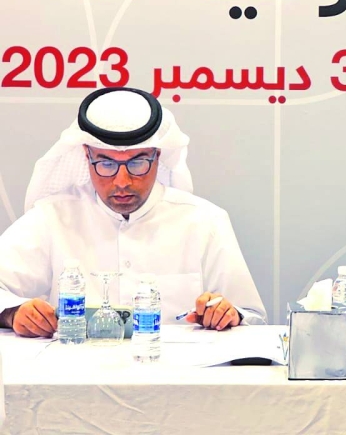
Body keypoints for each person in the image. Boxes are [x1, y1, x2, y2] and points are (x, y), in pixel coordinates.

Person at [0, 87, 266, 337]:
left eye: (137, 163)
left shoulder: (205, 221)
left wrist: (229, 314)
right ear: (87, 155)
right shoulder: (51, 218)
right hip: (78, 367)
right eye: (106, 164)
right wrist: (12, 313)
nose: (122, 181)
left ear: (157, 156)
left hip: (177, 369)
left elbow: (251, 316)